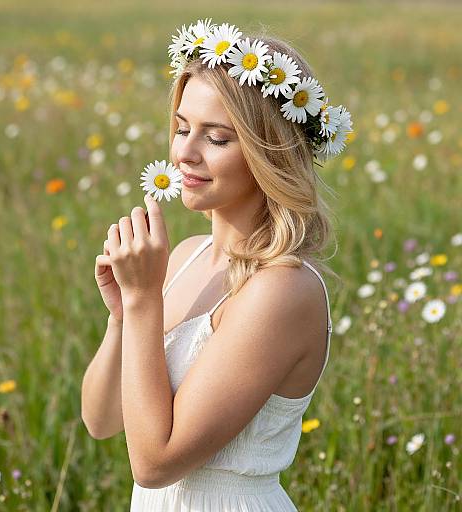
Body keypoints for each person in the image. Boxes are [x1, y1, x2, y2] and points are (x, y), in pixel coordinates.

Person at [83, 19, 350, 511]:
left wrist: (145, 302)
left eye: (217, 138)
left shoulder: (282, 289)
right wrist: (122, 316)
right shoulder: (186, 258)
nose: (184, 153)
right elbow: (102, 421)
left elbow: (154, 463)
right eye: (182, 128)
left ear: (269, 152)